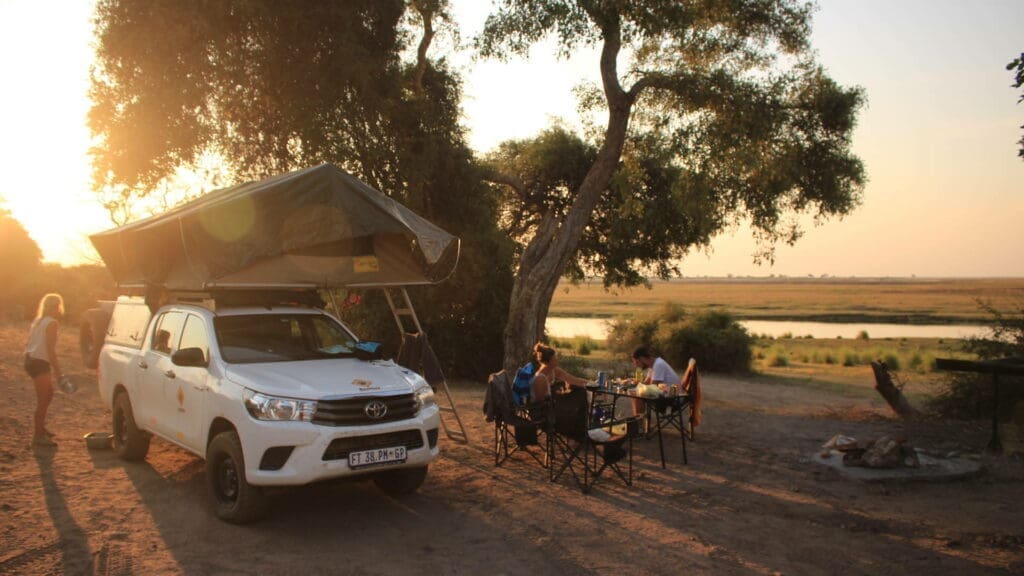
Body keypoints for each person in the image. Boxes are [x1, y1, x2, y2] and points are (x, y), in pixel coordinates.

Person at [24, 293, 65, 447]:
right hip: (39, 362)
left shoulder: (38, 320)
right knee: (43, 399)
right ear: (57, 307)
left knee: (48, 394)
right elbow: (50, 349)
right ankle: (38, 436)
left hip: (30, 359)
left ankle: (40, 428)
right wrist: (59, 373)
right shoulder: (52, 323)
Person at [630, 346, 681, 427]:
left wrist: (638, 388)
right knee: (635, 393)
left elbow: (653, 386)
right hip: (665, 395)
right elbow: (646, 383)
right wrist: (635, 383)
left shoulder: (658, 364)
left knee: (637, 396)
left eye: (637, 362)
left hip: (671, 399)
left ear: (642, 358)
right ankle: (639, 424)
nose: (637, 365)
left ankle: (639, 425)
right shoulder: (652, 365)